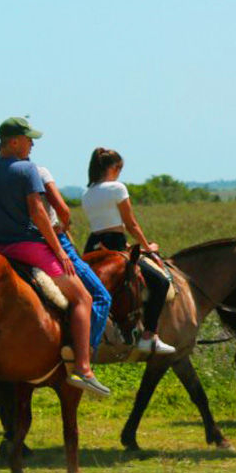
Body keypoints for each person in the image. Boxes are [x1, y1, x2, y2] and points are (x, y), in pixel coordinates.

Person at [0, 117, 112, 395]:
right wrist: (60, 250)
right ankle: (83, 369)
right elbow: (39, 212)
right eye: (28, 139)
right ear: (13, 141)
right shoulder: (27, 169)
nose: (32, 144)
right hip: (29, 246)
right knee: (83, 298)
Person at [81, 148, 175, 356]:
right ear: (113, 167)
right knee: (160, 282)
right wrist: (148, 248)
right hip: (115, 245)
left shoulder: (87, 193)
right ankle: (150, 336)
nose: (120, 173)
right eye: (119, 169)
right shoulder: (117, 188)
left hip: (93, 245)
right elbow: (131, 224)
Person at [34, 162, 112, 355]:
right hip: (54, 239)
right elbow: (63, 210)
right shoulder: (39, 171)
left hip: (18, 242)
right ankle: (83, 355)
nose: (32, 145)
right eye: (29, 141)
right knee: (100, 297)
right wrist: (64, 226)